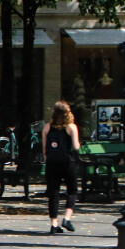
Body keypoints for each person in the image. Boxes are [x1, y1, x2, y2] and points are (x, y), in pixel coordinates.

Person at [42, 100, 81, 234]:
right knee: (72, 190)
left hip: (52, 163)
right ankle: (67, 218)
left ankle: (54, 224)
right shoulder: (71, 127)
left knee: (53, 192)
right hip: (67, 161)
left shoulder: (47, 127)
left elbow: (44, 149)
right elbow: (76, 146)